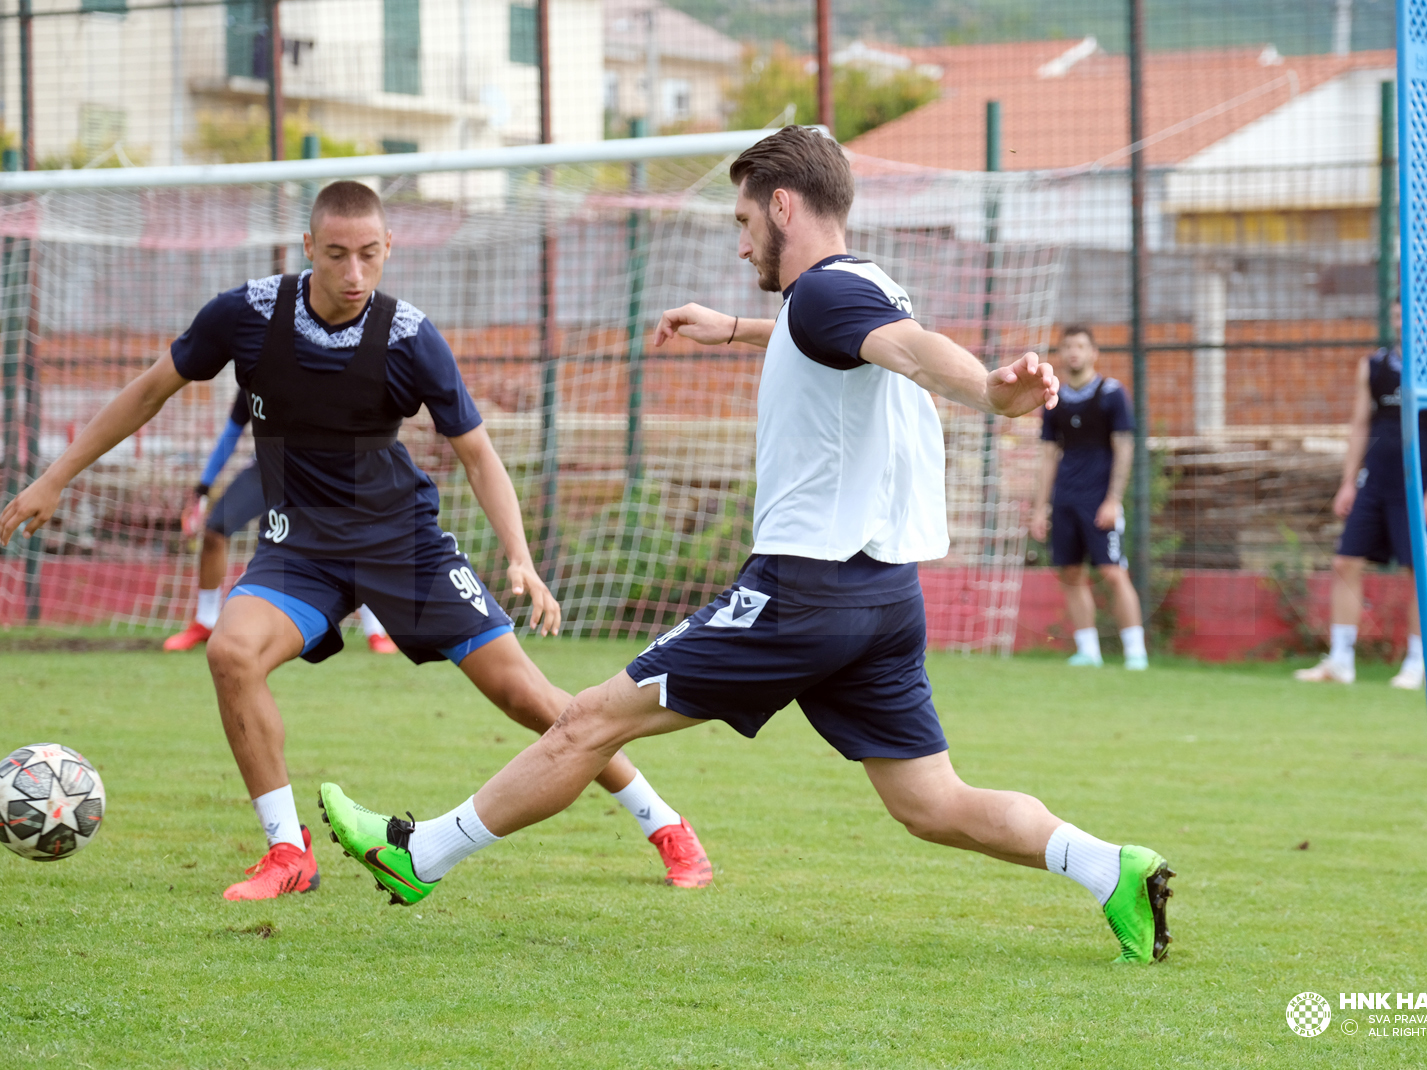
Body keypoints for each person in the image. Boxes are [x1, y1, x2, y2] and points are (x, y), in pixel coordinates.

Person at [318, 126, 1176, 963]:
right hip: (883, 599)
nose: (740, 243)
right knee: (931, 802)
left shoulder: (831, 295)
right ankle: (1113, 869)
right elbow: (841, 339)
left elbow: (910, 351)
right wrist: (731, 327)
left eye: (741, 222)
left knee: (585, 722)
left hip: (805, 594)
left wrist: (990, 390)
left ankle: (417, 853)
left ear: (783, 205)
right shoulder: (857, 285)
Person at [0, 181, 712, 900]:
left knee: (527, 696)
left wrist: (521, 559)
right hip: (299, 549)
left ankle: (665, 825)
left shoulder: (410, 336)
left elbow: (477, 453)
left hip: (404, 547)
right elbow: (151, 389)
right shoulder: (245, 314)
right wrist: (55, 478)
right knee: (231, 651)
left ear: (388, 250)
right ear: (308, 248)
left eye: (369, 255)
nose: (353, 275)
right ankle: (287, 854)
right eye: (336, 255)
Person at [1294, 311, 1427, 689]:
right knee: (1345, 562)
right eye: (1399, 315)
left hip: (1416, 487)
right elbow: (1360, 425)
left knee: (1420, 571)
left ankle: (1419, 664)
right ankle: (1340, 660)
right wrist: (1348, 482)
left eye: (1414, 313)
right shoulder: (1373, 366)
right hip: (1376, 483)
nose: (1405, 322)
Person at [166, 388, 399, 654]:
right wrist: (203, 486)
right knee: (214, 531)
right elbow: (232, 432)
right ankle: (205, 621)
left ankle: (375, 632)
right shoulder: (252, 373)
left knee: (352, 537)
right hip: (267, 469)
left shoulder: (317, 371)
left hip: (315, 470)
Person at [1028, 324, 1146, 670]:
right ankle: (1088, 651)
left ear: (1094, 353)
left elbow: (1123, 448)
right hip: (1065, 499)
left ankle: (1136, 653)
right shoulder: (1055, 400)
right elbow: (1048, 455)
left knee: (1113, 572)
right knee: (1071, 574)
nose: (1073, 352)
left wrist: (1113, 499)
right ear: (1061, 355)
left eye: (1080, 346)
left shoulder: (1112, 394)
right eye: (1067, 347)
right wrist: (1040, 509)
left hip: (1099, 500)